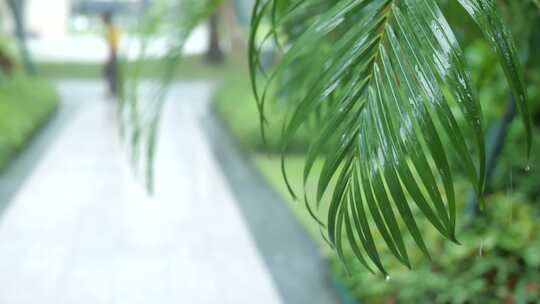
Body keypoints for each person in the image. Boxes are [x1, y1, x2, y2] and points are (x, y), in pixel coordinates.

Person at [102, 12, 120, 98]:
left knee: (110, 72)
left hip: (113, 52)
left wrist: (111, 55)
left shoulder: (112, 28)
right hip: (112, 52)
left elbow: (114, 43)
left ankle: (114, 91)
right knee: (110, 72)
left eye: (103, 19)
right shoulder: (111, 28)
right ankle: (113, 90)